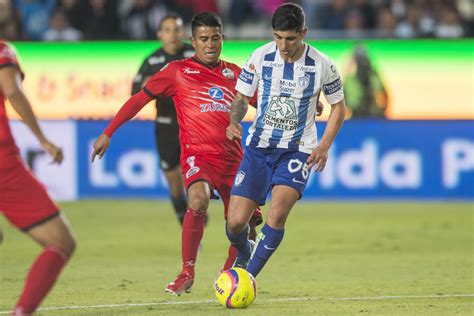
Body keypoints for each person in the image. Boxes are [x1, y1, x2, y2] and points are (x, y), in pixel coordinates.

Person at [91, 11, 262, 296]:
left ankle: (229, 274)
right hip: (199, 155)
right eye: (204, 39)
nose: (210, 45)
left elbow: (265, 104)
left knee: (241, 225)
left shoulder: (236, 74)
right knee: (197, 198)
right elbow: (138, 99)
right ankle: (187, 271)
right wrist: (108, 132)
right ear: (192, 41)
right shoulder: (177, 71)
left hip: (233, 160)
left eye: (215, 38)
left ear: (223, 39)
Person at [225, 3, 346, 279]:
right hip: (258, 147)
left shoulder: (322, 64)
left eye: (290, 38)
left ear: (303, 32)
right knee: (234, 224)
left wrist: (324, 145)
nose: (283, 44)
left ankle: (247, 277)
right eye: (278, 37)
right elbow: (242, 97)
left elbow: (339, 107)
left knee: (276, 216)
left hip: (297, 150)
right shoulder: (260, 56)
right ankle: (245, 253)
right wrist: (234, 121)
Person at [0, 41, 76, 315]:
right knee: (60, 241)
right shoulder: (2, 51)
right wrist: (44, 140)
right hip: (2, 165)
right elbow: (12, 92)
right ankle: (22, 312)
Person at [131, 15, 194, 226]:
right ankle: (183, 218)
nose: (172, 35)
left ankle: (196, 213)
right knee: (173, 179)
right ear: (159, 34)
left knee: (195, 174)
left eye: (176, 29)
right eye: (167, 30)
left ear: (182, 32)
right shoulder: (151, 61)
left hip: (193, 124)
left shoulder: (193, 55)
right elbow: (134, 94)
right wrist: (148, 85)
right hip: (166, 125)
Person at [343, 44, 388, 118]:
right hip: (357, 114)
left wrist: (382, 112)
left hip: (371, 113)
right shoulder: (350, 79)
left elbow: (384, 94)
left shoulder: (372, 76)